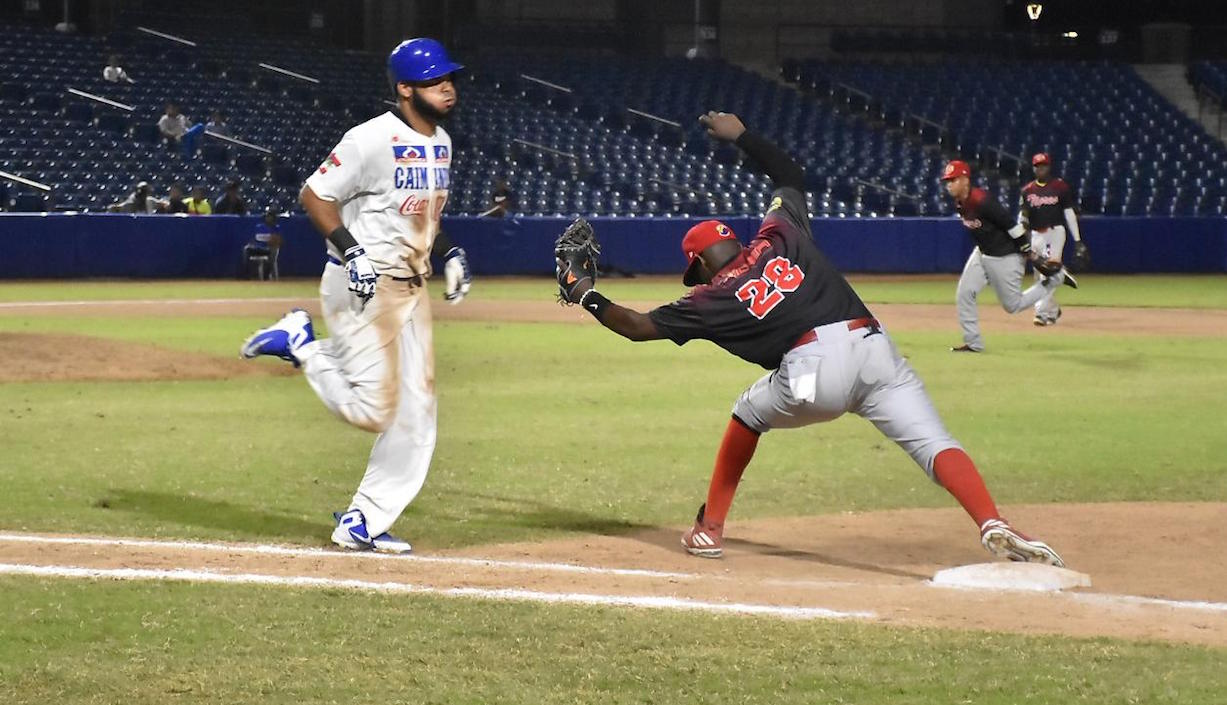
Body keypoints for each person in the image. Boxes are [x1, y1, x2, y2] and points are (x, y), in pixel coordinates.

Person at [554, 111, 1065, 567]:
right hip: (874, 351)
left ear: (698, 264)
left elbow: (639, 326)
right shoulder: (781, 232)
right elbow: (790, 175)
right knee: (935, 444)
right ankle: (991, 521)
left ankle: (709, 530)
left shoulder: (711, 298)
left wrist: (585, 295)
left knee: (747, 414)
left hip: (812, 378)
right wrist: (743, 135)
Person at [239, 37, 472, 554]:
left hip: (411, 288)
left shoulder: (442, 143)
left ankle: (362, 520)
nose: (448, 86)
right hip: (361, 284)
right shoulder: (370, 138)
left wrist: (451, 252)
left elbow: (425, 214)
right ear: (405, 89)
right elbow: (315, 195)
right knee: (371, 410)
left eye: (449, 77)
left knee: (418, 414)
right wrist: (351, 250)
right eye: (435, 80)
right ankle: (301, 344)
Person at [942, 160, 1078, 353]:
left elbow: (1011, 225)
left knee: (1013, 306)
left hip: (1004, 256)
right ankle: (973, 343)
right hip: (982, 253)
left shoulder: (982, 200)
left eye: (953, 180)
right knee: (964, 294)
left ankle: (1055, 278)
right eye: (947, 181)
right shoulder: (959, 202)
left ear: (965, 180)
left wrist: (1027, 252)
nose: (949, 184)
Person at [1019, 153, 1089, 326]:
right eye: (1037, 165)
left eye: (1043, 165)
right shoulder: (1027, 190)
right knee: (1039, 277)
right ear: (1033, 168)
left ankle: (1041, 313)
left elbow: (1068, 213)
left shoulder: (1060, 187)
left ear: (1049, 167)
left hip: (1055, 232)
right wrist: (1022, 239)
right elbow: (1023, 217)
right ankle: (1053, 309)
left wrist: (1078, 240)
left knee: (1047, 271)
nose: (1041, 168)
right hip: (1036, 235)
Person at [243, 210, 283, 279]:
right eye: (267, 216)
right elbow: (254, 239)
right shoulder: (259, 227)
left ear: (273, 218)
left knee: (272, 253)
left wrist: (271, 242)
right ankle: (247, 275)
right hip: (259, 248)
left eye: (270, 217)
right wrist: (252, 244)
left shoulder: (276, 228)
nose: (268, 218)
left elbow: (279, 241)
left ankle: (268, 276)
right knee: (246, 249)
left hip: (268, 249)